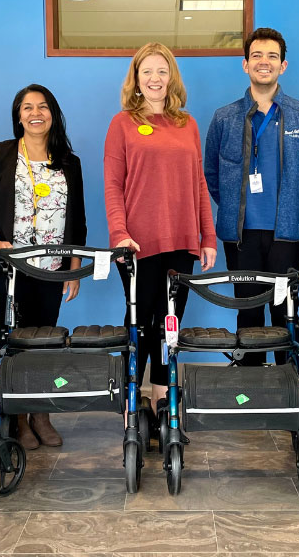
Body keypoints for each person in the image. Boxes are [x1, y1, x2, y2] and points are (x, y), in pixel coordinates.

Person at [0, 84, 86, 450]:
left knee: (46, 342)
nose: (36, 113)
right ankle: (18, 417)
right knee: (14, 341)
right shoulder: (0, 154)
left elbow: (77, 219)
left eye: (43, 106)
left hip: (52, 268)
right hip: (9, 269)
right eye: (27, 107)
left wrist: (74, 265)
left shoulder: (69, 160)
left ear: (53, 112)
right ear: (18, 115)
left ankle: (41, 413)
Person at [104, 42, 217, 409]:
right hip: (137, 243)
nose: (155, 78)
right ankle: (131, 400)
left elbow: (199, 182)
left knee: (169, 323)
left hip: (182, 240)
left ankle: (161, 396)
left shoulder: (188, 124)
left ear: (172, 78)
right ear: (136, 78)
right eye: (147, 71)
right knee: (139, 323)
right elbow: (113, 185)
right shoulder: (122, 124)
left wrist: (208, 236)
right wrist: (119, 235)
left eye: (162, 71)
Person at [204, 27, 299, 366]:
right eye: (257, 55)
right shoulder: (225, 118)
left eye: (272, 56)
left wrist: (292, 205)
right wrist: (230, 205)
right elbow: (212, 174)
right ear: (245, 64)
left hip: (286, 232)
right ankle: (251, 392)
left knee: (285, 312)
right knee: (248, 313)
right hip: (240, 235)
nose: (264, 62)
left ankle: (288, 389)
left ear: (283, 65)